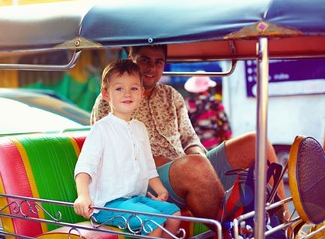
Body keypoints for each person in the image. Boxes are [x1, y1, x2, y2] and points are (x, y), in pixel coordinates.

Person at [91, 45, 288, 223]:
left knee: (255, 142)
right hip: (147, 182)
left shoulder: (171, 95)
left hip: (189, 168)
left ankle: (283, 223)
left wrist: (200, 158)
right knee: (192, 166)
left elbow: (190, 139)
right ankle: (233, 231)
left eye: (158, 62)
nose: (151, 68)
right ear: (131, 57)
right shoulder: (112, 97)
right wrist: (161, 161)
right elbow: (109, 152)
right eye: (144, 60)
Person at [74, 59, 181, 239]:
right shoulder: (101, 128)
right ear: (106, 95)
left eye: (133, 88)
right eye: (119, 89)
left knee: (175, 215)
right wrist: (83, 196)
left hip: (135, 199)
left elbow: (149, 167)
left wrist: (161, 190)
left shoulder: (140, 127)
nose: (127, 94)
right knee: (153, 220)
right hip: (107, 204)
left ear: (141, 93)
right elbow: (84, 167)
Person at [184, 76, 232, 150]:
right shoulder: (215, 101)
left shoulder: (188, 103)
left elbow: (183, 125)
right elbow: (224, 122)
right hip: (214, 144)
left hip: (196, 146)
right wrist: (228, 138)